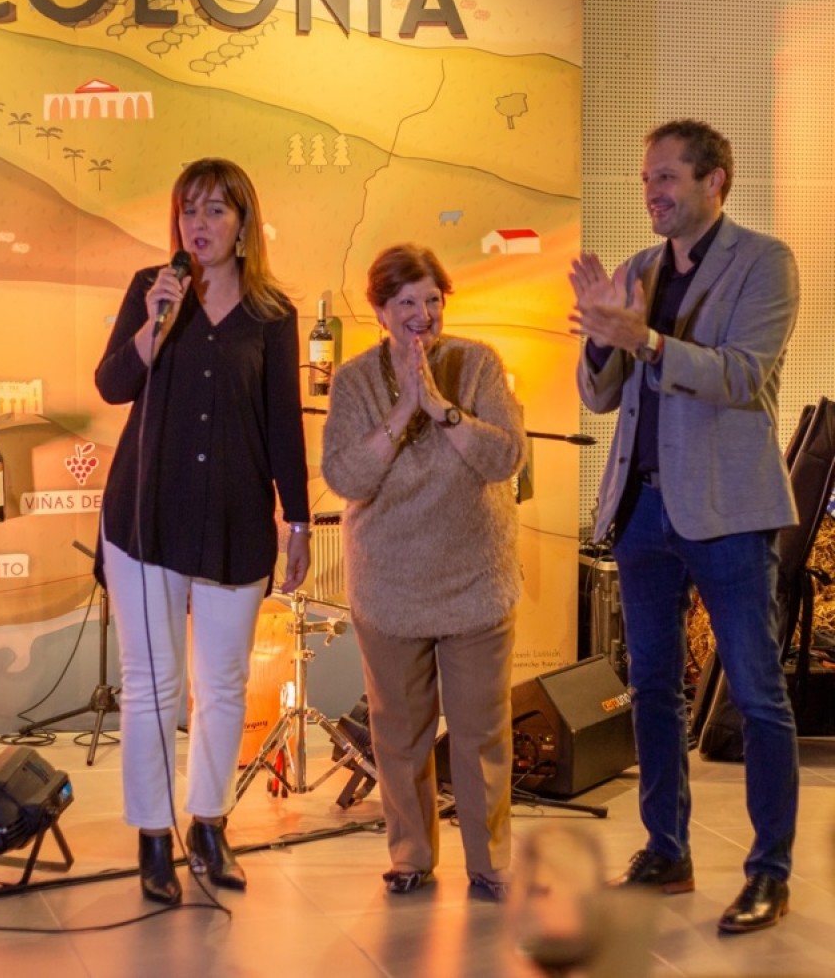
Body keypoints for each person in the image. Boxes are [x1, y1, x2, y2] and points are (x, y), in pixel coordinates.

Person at [571, 119, 800, 934]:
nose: (653, 193)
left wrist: (648, 339)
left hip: (727, 512)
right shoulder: (636, 269)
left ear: (716, 181)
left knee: (757, 691)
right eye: (645, 180)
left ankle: (769, 870)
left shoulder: (764, 262)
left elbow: (742, 375)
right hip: (642, 512)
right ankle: (666, 848)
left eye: (667, 177)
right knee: (654, 689)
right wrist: (603, 339)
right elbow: (598, 396)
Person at [95, 157, 310, 904]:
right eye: (190, 209)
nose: (200, 224)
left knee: (220, 685)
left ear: (244, 224)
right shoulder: (152, 292)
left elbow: (283, 423)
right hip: (144, 518)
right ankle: (153, 835)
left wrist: (301, 518)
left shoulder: (274, 313)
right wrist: (157, 327)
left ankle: (210, 823)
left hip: (235, 520)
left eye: (217, 210)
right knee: (152, 685)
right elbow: (112, 383)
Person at [321, 243, 525, 900]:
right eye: (406, 301)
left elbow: (504, 458)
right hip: (391, 587)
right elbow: (346, 474)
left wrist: (441, 408)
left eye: (433, 299)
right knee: (401, 735)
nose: (422, 313)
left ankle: (490, 861)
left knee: (480, 733)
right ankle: (410, 854)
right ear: (380, 311)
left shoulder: (479, 364)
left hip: (475, 581)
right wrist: (403, 410)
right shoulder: (355, 381)